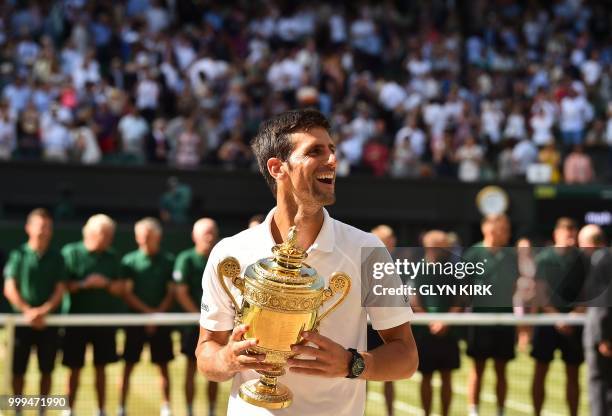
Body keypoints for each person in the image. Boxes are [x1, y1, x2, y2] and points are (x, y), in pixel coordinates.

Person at [196, 109, 418, 415]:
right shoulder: (229, 252)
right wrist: (227, 360)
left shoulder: (368, 248)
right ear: (277, 168)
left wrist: (352, 364)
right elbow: (206, 353)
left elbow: (406, 356)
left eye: (332, 150)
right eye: (315, 151)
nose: (332, 160)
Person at [3, 208, 66, 413]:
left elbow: (60, 289)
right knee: (17, 370)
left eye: (47, 227)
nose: (43, 231)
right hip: (22, 323)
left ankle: (42, 410)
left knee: (46, 370)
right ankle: (18, 410)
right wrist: (27, 311)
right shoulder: (18, 255)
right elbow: (9, 288)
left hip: (48, 324)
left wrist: (44, 311)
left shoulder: (57, 258)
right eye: (40, 226)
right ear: (28, 228)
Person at [61, 214, 124, 416]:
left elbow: (120, 287)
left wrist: (105, 283)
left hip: (103, 323)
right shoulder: (71, 252)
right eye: (106, 235)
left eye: (110, 235)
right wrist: (84, 284)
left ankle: (101, 410)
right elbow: (63, 286)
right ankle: (68, 410)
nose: (109, 239)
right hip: (76, 322)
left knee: (101, 368)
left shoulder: (112, 256)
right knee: (74, 368)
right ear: (92, 233)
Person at [119, 218, 175, 416]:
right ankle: (121, 408)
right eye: (141, 236)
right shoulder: (129, 261)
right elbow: (126, 292)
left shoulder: (168, 261)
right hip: (136, 322)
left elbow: (171, 292)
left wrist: (157, 315)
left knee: (163, 366)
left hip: (161, 323)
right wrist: (147, 314)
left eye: (148, 236)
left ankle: (166, 407)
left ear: (157, 237)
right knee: (128, 366)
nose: (144, 240)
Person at [531, 217, 587, 416]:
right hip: (547, 322)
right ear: (556, 234)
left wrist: (575, 315)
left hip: (575, 323)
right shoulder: (543, 259)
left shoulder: (583, 260)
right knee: (540, 371)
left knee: (573, 373)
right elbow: (539, 292)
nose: (569, 236)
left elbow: (588, 293)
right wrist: (556, 318)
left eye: (573, 232)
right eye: (565, 232)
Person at [463, 214, 518, 416]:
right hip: (480, 321)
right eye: (504, 229)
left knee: (502, 369)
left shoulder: (511, 256)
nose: (507, 234)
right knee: (478, 368)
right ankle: (474, 411)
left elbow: (514, 286)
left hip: (504, 321)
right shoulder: (473, 254)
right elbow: (462, 288)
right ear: (490, 229)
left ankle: (500, 411)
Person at [411, 230, 461, 416]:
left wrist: (445, 322)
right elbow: (413, 300)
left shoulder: (454, 271)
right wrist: (432, 321)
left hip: (448, 334)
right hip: (425, 334)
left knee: (447, 376)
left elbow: (460, 300)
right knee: (426, 376)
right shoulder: (416, 269)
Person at [174, 218, 219, 416]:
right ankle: (190, 411)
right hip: (192, 325)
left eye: (212, 232)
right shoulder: (186, 259)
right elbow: (180, 292)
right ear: (195, 236)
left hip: (218, 325)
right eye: (205, 232)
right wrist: (200, 316)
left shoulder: (221, 257)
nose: (209, 236)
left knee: (215, 369)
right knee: (191, 369)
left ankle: (211, 411)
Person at [579, 224, 612, 416]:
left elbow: (602, 303)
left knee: (598, 384)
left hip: (602, 336)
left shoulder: (602, 261)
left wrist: (602, 336)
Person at [368, 224, 398, 416]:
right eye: (387, 239)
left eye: (392, 239)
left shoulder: (397, 265)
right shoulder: (364, 262)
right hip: (366, 327)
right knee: (358, 371)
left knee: (390, 375)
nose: (392, 242)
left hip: (387, 327)